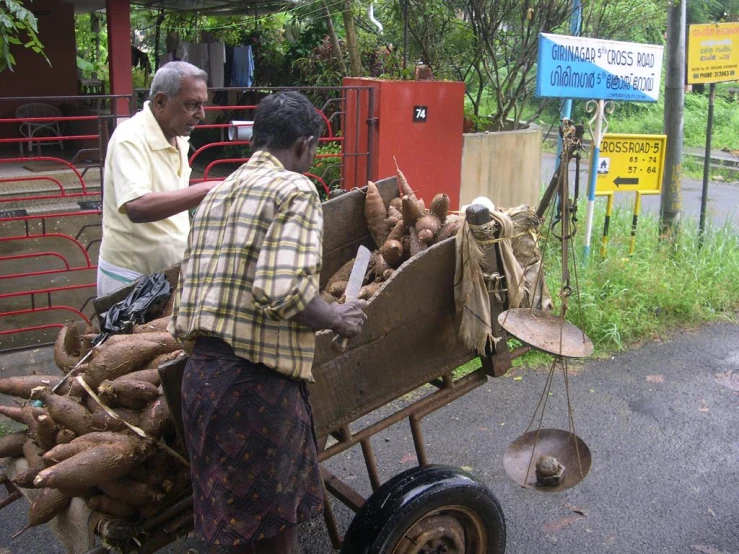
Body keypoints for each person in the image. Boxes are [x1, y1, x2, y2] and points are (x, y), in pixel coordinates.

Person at [169, 91, 367, 554]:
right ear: (302, 145)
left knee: (237, 533)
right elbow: (283, 292)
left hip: (203, 382)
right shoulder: (295, 189)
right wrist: (337, 315)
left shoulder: (218, 193)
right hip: (254, 390)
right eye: (314, 150)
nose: (312, 159)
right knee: (277, 536)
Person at [97, 61, 219, 297]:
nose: (201, 115)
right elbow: (137, 207)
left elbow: (171, 196)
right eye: (192, 105)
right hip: (131, 277)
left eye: (202, 105)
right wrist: (208, 189)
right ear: (161, 102)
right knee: (124, 334)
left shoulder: (178, 136)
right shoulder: (130, 138)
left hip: (167, 273)